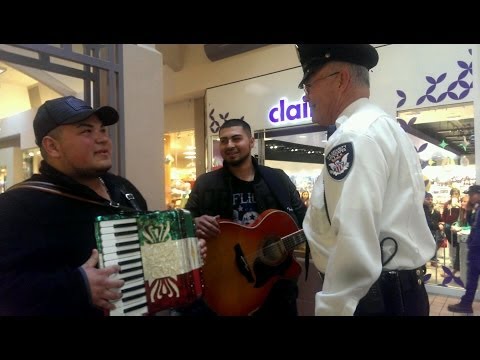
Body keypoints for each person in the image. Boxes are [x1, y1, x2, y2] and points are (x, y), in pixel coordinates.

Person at [0, 95, 206, 316]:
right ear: (52, 147)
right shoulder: (17, 206)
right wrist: (78, 286)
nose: (103, 139)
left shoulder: (123, 188)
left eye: (102, 130)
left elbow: (144, 259)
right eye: (86, 131)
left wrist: (182, 255)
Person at [296, 44, 436, 316]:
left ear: (340, 79)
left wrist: (333, 309)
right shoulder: (382, 126)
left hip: (373, 299)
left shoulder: (355, 135)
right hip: (397, 292)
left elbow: (353, 241)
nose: (305, 96)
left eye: (309, 84)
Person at [175, 118, 307, 316]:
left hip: (276, 289)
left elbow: (304, 221)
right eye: (224, 140)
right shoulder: (206, 184)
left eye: (236, 139)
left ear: (251, 141)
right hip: (226, 287)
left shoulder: (277, 179)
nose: (229, 145)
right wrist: (193, 224)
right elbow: (181, 229)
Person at [448, 185, 480, 314]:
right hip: (476, 250)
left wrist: (472, 245)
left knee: (472, 279)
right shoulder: (476, 208)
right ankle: (466, 303)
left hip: (477, 251)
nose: (470, 196)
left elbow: (478, 231)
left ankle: (466, 304)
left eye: (472, 194)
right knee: (471, 280)